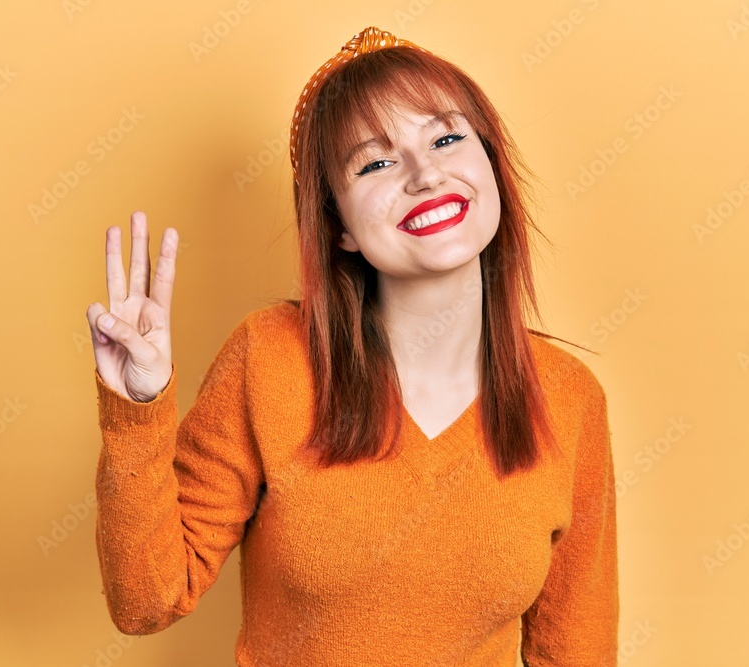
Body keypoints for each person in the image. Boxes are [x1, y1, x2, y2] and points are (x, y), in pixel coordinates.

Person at [86, 26, 618, 666]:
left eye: (446, 138)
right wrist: (136, 409)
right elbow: (147, 600)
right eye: (375, 162)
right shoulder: (268, 359)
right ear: (339, 227)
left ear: (491, 164)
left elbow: (578, 652)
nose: (425, 174)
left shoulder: (569, 398)